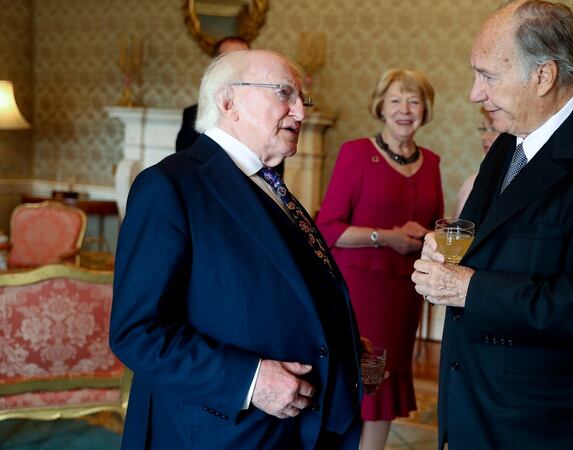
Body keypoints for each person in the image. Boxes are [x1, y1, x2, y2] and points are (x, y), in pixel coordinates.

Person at [411, 1, 573, 449]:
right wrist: (446, 250)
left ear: (543, 76)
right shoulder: (507, 144)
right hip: (481, 407)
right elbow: (492, 239)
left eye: (488, 76)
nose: (475, 93)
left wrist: (469, 288)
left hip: (556, 426)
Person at [110, 50, 364, 449]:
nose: (300, 112)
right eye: (284, 93)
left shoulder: (269, 184)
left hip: (292, 429)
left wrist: (343, 346)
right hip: (219, 431)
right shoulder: (170, 186)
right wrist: (251, 380)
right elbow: (137, 332)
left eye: (302, 99)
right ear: (228, 102)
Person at [316, 68, 443, 450]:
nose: (405, 109)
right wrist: (386, 237)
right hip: (360, 293)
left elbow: (433, 223)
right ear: (381, 108)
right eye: (396, 100)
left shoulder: (432, 162)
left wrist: (429, 237)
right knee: (358, 381)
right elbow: (328, 227)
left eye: (414, 100)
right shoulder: (356, 153)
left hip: (404, 295)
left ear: (425, 109)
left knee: (384, 387)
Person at [175, 36, 249, 152]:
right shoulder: (192, 115)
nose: (238, 66)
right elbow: (185, 161)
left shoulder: (264, 114)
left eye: (243, 58)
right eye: (231, 58)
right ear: (217, 65)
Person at [452, 107, 500, 218]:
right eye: (483, 129)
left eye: (493, 129)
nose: (484, 137)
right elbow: (456, 232)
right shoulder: (471, 183)